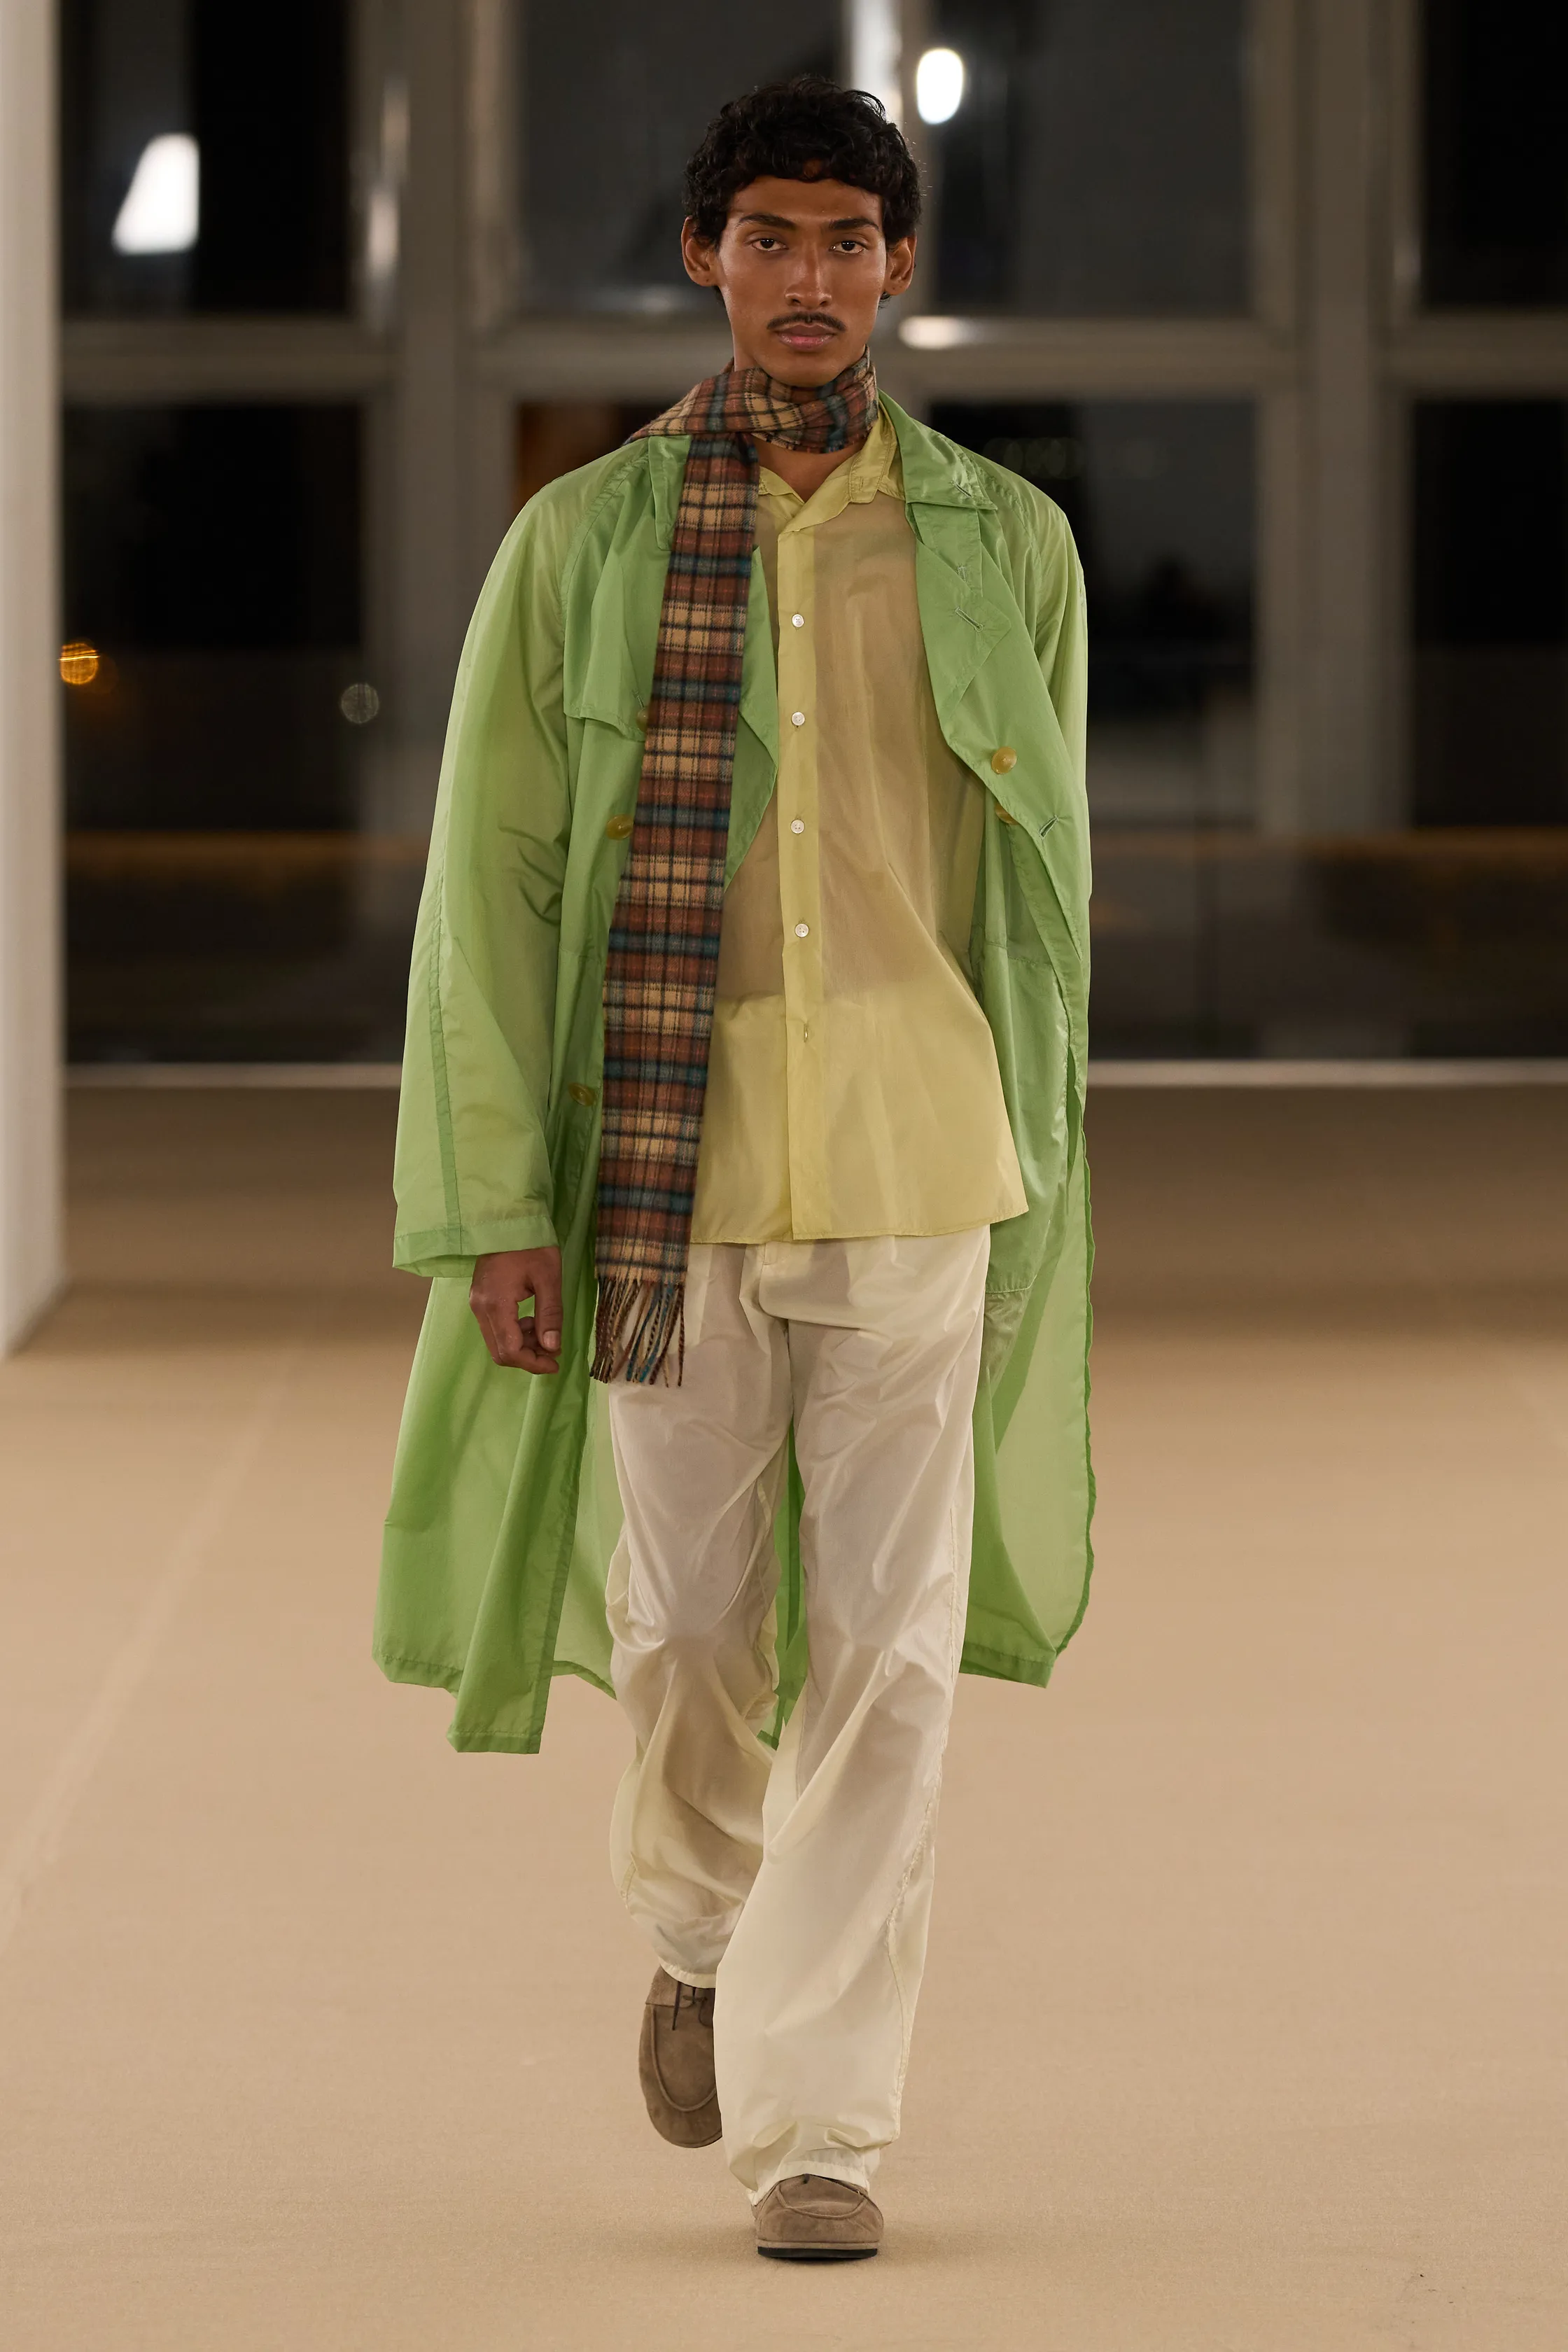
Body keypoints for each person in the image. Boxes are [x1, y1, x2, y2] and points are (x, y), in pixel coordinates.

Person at [375, 76, 1093, 2262]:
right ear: (707, 256)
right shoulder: (581, 546)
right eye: (768, 236)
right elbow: (492, 893)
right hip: (659, 1172)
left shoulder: (1002, 544)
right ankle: (699, 1935)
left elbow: (1037, 899)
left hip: (918, 1153)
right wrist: (499, 1202)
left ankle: (819, 2131)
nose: (808, 276)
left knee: (885, 1647)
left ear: (898, 267)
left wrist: (1046, 1150)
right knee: (685, 1624)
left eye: (845, 240)